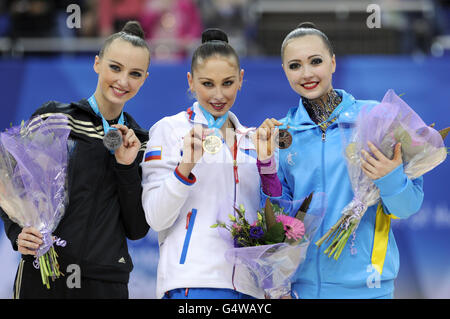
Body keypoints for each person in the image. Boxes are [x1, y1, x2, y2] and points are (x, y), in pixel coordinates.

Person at [254, 22, 424, 299]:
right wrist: (266, 167)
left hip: (370, 291)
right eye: (295, 66)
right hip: (302, 292)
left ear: (333, 62)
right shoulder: (281, 135)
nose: (307, 73)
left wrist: (390, 177)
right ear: (284, 71)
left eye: (316, 61)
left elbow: (408, 207)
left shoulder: (376, 118)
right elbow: (280, 221)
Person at [0, 20, 151, 299]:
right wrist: (17, 232)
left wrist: (126, 166)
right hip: (45, 273)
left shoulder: (140, 141)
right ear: (97, 63)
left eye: (135, 74)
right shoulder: (54, 119)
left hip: (107, 281)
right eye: (115, 67)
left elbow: (137, 229)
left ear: (144, 79)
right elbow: (9, 183)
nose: (122, 81)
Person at [141, 28, 264, 299]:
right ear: (191, 81)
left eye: (228, 83)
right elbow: (156, 217)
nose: (218, 95)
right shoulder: (170, 130)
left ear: (241, 79)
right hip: (193, 283)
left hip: (249, 289)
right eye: (207, 84)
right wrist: (185, 168)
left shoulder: (254, 140)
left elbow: (269, 216)